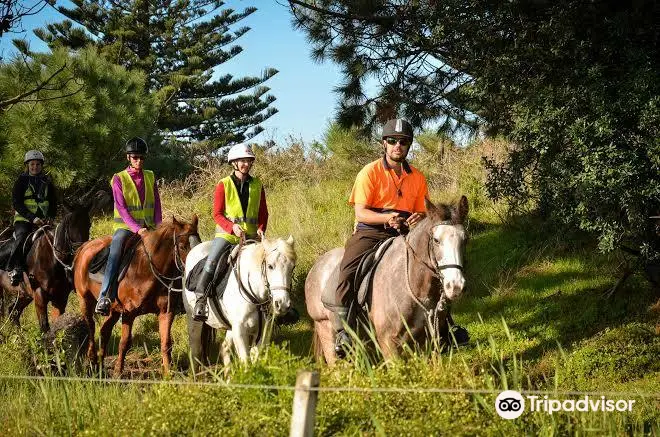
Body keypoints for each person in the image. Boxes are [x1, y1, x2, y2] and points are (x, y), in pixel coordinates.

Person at [329, 118, 468, 358]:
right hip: (370, 230)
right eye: (392, 141)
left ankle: (446, 327)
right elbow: (360, 212)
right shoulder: (369, 172)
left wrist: (416, 219)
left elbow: (424, 212)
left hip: (405, 230)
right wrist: (385, 219)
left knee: (436, 266)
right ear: (384, 144)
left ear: (408, 145)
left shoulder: (417, 177)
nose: (397, 146)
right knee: (348, 270)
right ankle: (343, 330)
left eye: (403, 142)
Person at [192, 143, 268, 321]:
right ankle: (200, 299)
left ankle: (273, 306)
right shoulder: (223, 184)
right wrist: (231, 227)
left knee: (271, 262)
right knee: (212, 261)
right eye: (242, 161)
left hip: (251, 236)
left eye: (249, 161)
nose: (246, 164)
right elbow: (217, 214)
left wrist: (261, 229)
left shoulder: (258, 184)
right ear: (233, 163)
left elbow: (263, 213)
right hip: (226, 236)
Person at [95, 137, 162, 315]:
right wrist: (137, 229)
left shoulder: (150, 176)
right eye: (135, 158)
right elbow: (122, 208)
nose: (138, 161)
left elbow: (156, 204)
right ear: (128, 158)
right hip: (126, 228)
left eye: (141, 158)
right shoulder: (119, 178)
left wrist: (158, 226)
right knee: (115, 252)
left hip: (148, 227)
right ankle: (105, 296)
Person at [6, 150, 57, 286]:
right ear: (27, 165)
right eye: (32, 164)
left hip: (44, 221)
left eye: (38, 164)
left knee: (59, 239)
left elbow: (53, 202)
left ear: (42, 166)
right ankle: (15, 268)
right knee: (22, 237)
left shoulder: (47, 182)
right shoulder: (21, 181)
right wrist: (32, 218)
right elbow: (17, 203)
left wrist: (51, 217)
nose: (35, 167)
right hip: (24, 220)